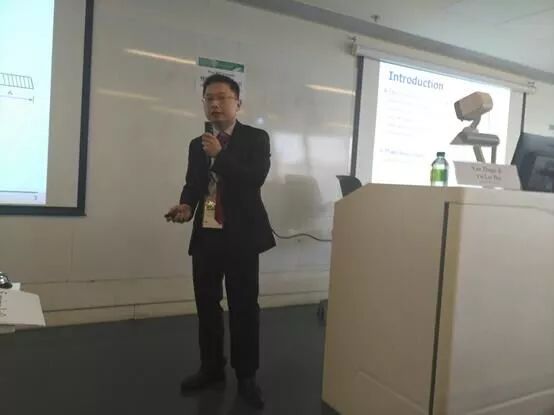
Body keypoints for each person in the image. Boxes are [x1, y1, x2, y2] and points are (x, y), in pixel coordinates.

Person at [165, 74, 275, 409]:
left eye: (222, 97)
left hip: (242, 236)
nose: (214, 104)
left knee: (244, 307)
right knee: (207, 305)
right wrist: (186, 206)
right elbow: (194, 184)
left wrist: (221, 154)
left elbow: (254, 178)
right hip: (207, 234)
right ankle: (211, 368)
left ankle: (246, 376)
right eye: (208, 98)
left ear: (237, 103)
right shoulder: (196, 144)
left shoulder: (256, 138)